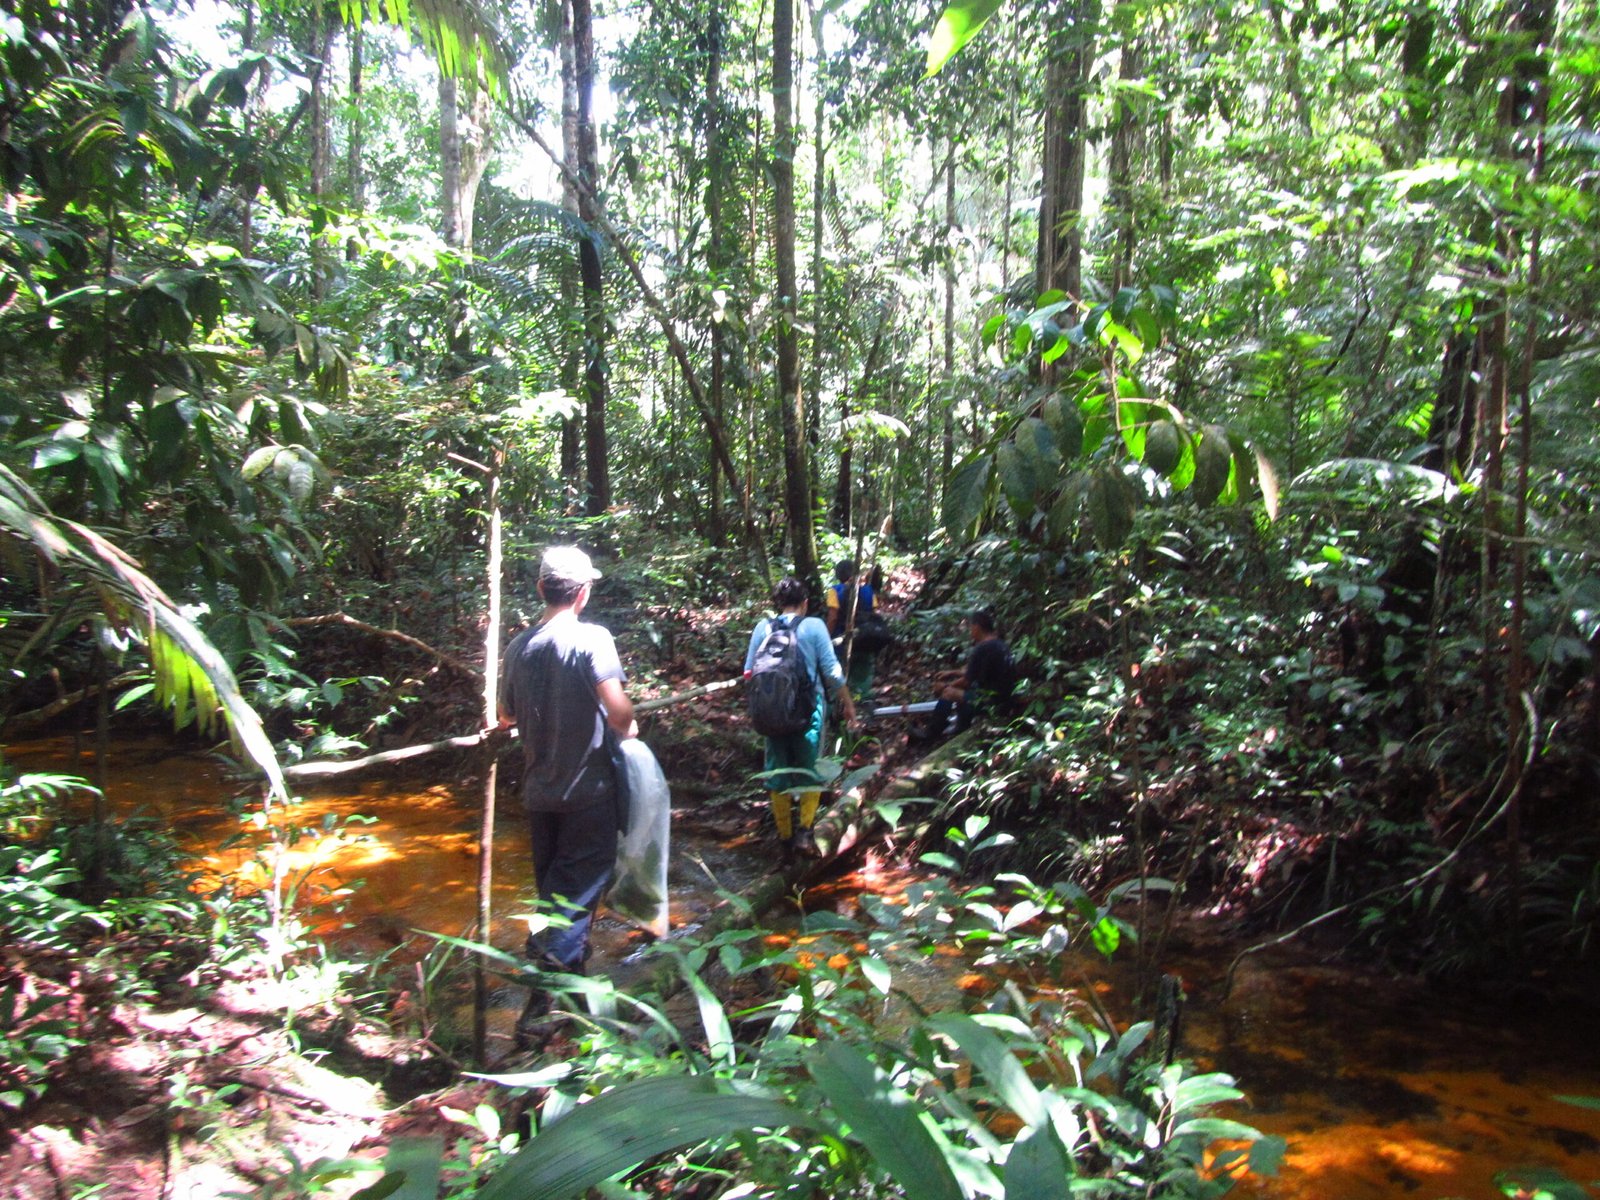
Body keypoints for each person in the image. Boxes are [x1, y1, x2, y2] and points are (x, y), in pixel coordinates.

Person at [496, 545, 635, 1050]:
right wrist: (631, 725)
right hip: (589, 795)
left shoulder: (517, 649)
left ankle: (564, 1006)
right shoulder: (591, 639)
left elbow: (505, 716)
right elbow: (618, 713)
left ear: (540, 590)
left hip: (539, 796)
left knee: (555, 897)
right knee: (573, 903)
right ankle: (544, 1009)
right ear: (582, 594)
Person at [745, 576, 856, 857]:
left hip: (771, 713)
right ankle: (805, 834)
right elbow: (831, 671)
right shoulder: (814, 625)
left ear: (778, 603)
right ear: (805, 603)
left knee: (777, 773)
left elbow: (749, 672)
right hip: (808, 711)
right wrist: (847, 703)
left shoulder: (763, 627)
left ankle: (784, 839)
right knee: (809, 770)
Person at [916, 607, 1017, 740]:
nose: (970, 631)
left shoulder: (983, 648)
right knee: (965, 690)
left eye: (971, 627)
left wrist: (945, 687)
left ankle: (931, 734)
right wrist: (952, 673)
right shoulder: (999, 644)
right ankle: (961, 726)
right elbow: (973, 671)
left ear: (976, 627)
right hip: (1005, 697)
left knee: (950, 693)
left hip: (993, 702)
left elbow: (967, 681)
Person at [825, 559, 879, 702]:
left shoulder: (834, 591)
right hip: (865, 639)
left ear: (838, 575)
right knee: (863, 672)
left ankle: (841, 703)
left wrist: (826, 638)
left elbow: (833, 618)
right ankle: (861, 700)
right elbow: (874, 613)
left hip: (842, 639)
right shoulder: (868, 590)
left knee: (839, 673)